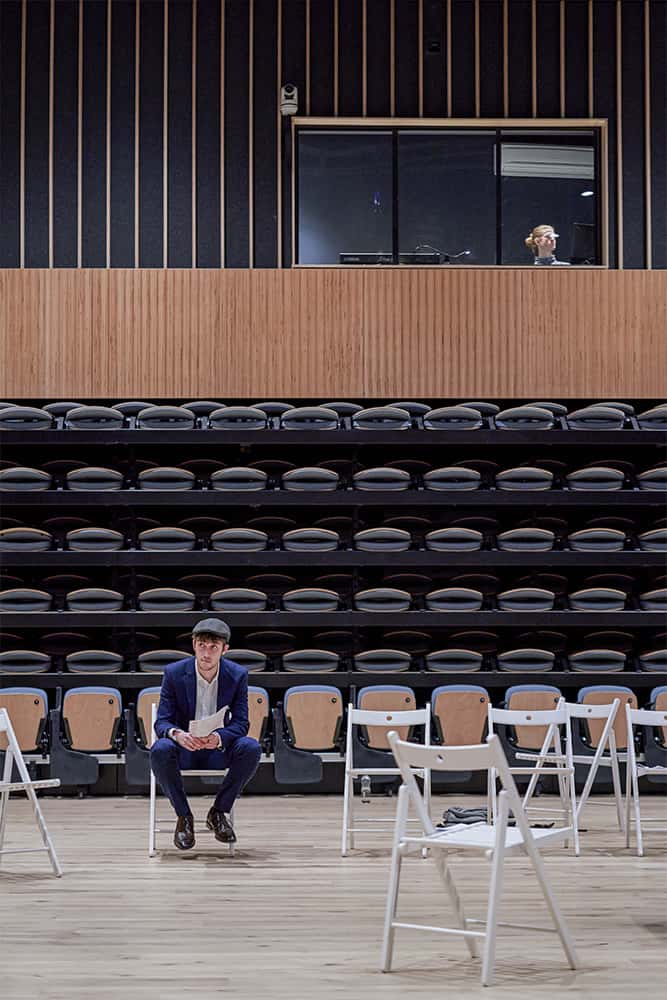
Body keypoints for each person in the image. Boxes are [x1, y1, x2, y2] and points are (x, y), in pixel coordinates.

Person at [150, 617, 262, 850]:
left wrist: (219, 737)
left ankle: (218, 812)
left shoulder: (238, 675)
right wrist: (178, 735)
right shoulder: (173, 673)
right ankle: (184, 817)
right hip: (184, 749)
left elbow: (241, 723)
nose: (206, 653)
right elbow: (162, 722)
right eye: (202, 645)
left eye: (213, 647)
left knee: (251, 747)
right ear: (194, 645)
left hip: (217, 749)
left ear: (225, 649)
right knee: (160, 748)